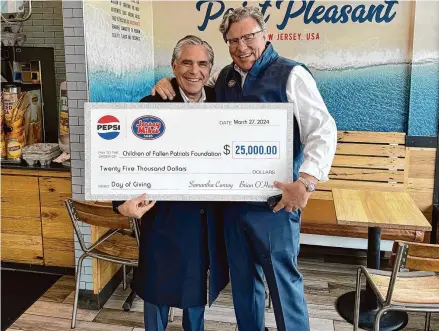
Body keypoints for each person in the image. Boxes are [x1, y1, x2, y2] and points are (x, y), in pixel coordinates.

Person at [151, 6, 337, 331]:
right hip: (234, 207)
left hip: (275, 207)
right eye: (233, 40)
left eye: (249, 37)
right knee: (244, 287)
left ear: (265, 35)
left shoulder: (291, 74)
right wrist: (167, 82)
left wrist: (306, 181)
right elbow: (195, 91)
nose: (242, 46)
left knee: (284, 288)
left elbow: (323, 129)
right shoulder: (225, 78)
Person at [113, 35, 229, 331]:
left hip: (205, 218)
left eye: (202, 64)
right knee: (156, 291)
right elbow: (124, 159)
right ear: (174, 66)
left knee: (196, 297)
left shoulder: (222, 102)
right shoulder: (152, 104)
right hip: (163, 218)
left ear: (211, 69)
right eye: (186, 62)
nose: (194, 70)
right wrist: (120, 204)